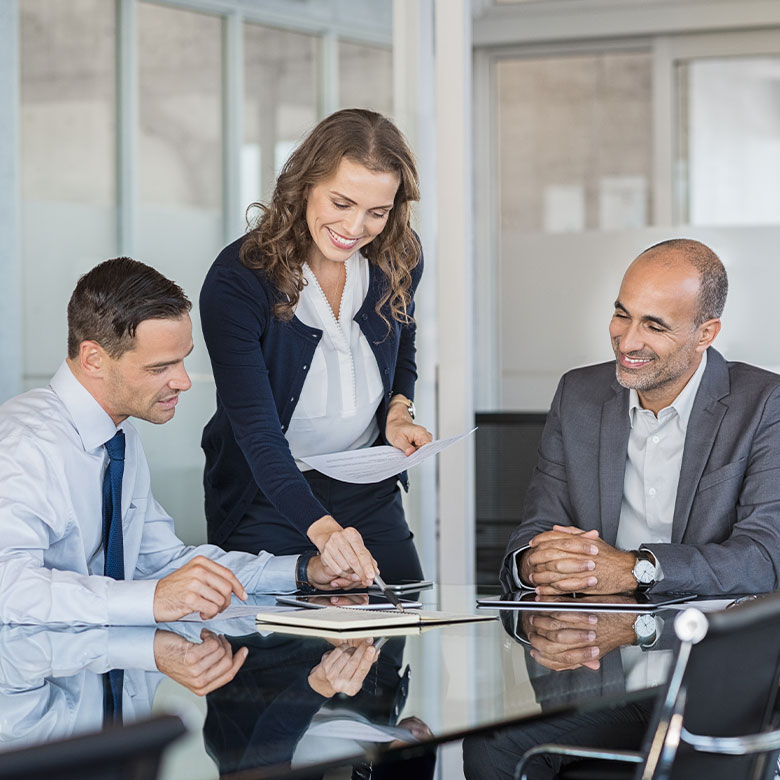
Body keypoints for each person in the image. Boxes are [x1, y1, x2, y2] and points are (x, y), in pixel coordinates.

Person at [0, 257, 350, 627]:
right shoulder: (25, 445)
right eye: (160, 367)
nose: (183, 381)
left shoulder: (118, 441)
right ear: (93, 359)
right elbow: (8, 587)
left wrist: (302, 571)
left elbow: (164, 562)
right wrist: (152, 599)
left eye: (182, 361)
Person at [200, 108, 433, 586]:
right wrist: (326, 533)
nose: (356, 227)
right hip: (265, 496)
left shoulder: (398, 256)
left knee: (399, 627)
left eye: (378, 212)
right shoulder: (237, 281)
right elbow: (258, 436)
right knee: (275, 651)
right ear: (305, 184)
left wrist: (397, 410)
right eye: (342, 202)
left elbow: (403, 335)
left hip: (369, 487)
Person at [502, 238, 780, 599]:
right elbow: (537, 530)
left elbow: (764, 557)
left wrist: (636, 569)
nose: (628, 341)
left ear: (705, 334)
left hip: (714, 643)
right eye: (622, 315)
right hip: (593, 639)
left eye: (654, 326)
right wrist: (538, 562)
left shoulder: (764, 403)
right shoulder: (577, 395)